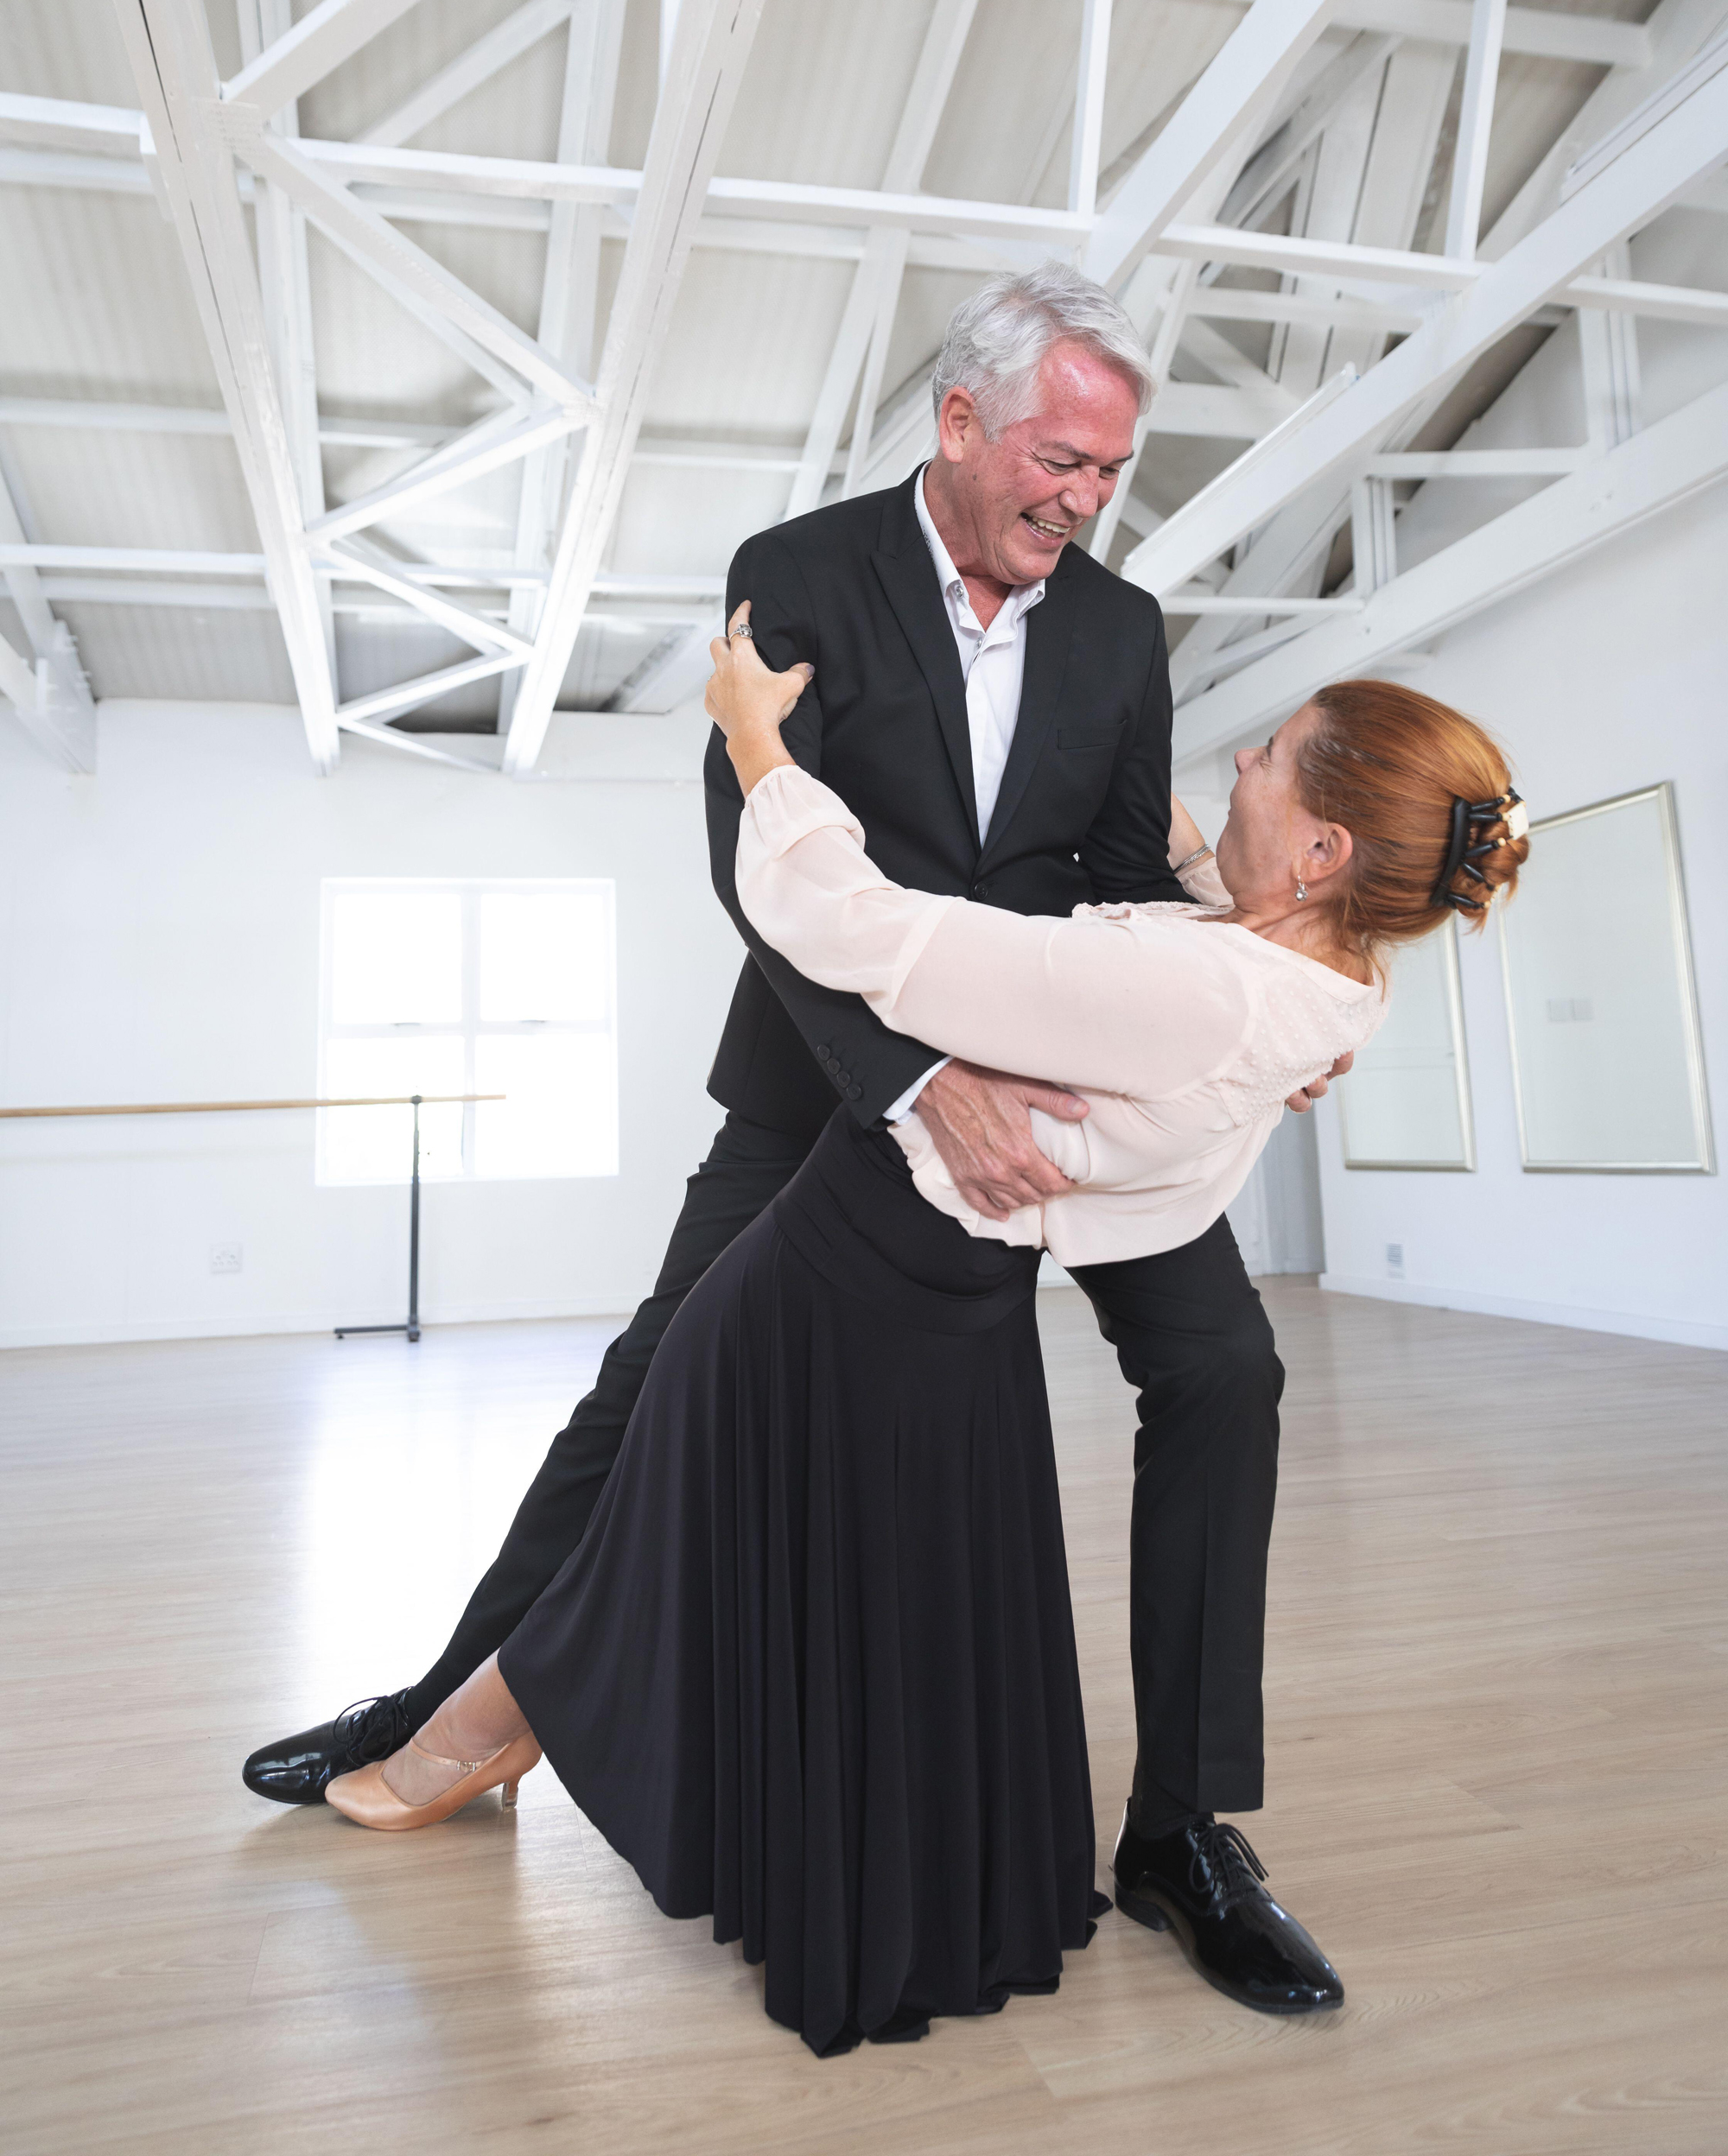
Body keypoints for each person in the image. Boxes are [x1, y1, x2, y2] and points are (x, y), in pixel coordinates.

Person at [245, 263, 1356, 2014]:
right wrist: (914, 1084)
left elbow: (1124, 884)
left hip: (1066, 1098)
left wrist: (1254, 1018)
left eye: (1108, 476)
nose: (1080, 502)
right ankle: (449, 1715)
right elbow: (759, 861)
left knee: (1224, 1377)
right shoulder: (802, 572)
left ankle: (1181, 1835)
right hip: (832, 1085)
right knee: (653, 1388)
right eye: (1054, 461)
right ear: (961, 420)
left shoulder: (1122, 630)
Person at [321, 638, 1526, 2068]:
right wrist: (1212, 879)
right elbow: (1216, 912)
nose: (1236, 765)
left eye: (1271, 753)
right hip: (945, 1266)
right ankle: (483, 1724)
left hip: (851, 1256)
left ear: (1326, 846)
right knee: (766, 1528)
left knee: (677, 1513)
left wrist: (754, 744)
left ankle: (476, 1727)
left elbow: (860, 930)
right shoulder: (1334, 983)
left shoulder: (1198, 985)